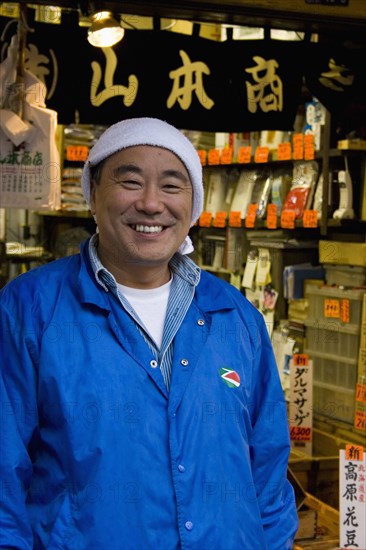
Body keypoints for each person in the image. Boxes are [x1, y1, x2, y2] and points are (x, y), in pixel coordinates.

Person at [0, 117, 298, 549]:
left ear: (193, 205)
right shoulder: (30, 309)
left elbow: (268, 469)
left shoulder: (235, 316)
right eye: (131, 181)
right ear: (93, 194)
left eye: (172, 186)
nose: (152, 204)